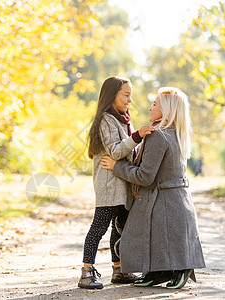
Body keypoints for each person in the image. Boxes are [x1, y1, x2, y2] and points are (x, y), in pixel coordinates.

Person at [101, 87, 206, 289]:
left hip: (165, 199)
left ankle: (180, 268)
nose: (150, 108)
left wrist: (117, 166)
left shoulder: (159, 136)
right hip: (178, 199)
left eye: (155, 104)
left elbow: (145, 176)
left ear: (166, 110)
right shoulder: (177, 133)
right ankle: (159, 271)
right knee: (159, 235)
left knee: (140, 233)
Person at [78, 76, 155, 289]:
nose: (130, 99)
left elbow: (128, 151)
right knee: (99, 227)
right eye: (126, 95)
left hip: (123, 184)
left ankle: (119, 269)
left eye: (131, 95)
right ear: (113, 95)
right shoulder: (106, 119)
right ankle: (86, 271)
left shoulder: (122, 118)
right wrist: (138, 135)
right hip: (109, 185)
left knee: (119, 229)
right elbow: (114, 150)